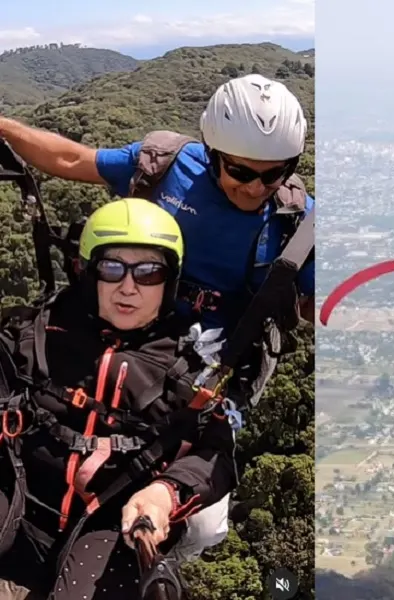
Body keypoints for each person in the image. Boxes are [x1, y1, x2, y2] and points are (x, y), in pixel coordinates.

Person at [0, 73, 315, 561]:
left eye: (273, 174)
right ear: (212, 154)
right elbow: (70, 159)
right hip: (120, 320)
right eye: (240, 172)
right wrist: (4, 128)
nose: (256, 188)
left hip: (207, 361)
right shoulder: (168, 169)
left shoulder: (293, 224)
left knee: (206, 525)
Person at [0, 199, 236, 599]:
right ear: (89, 273)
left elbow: (215, 455)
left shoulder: (187, 365)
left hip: (110, 524)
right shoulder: (36, 332)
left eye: (149, 272)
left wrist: (165, 493)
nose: (129, 287)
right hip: (19, 495)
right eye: (112, 269)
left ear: (170, 281)